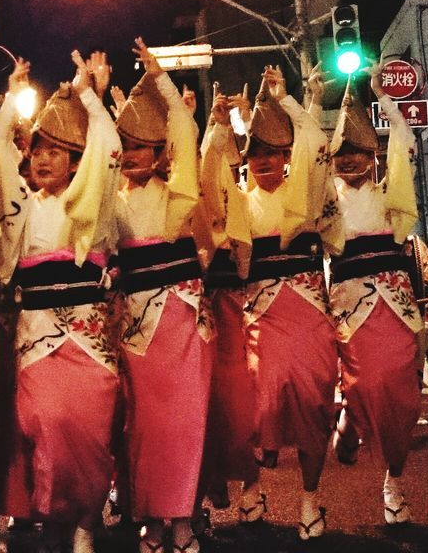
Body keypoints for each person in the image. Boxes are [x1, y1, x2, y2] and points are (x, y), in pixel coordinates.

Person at [202, 65, 342, 540]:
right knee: (250, 406)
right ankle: (252, 486)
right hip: (256, 314)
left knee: (312, 401)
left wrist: (290, 103)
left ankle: (309, 498)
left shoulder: (306, 191)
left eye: (273, 153)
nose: (263, 161)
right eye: (255, 153)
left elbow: (317, 151)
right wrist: (220, 126)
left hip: (306, 313)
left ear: (286, 156)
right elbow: (209, 177)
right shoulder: (237, 201)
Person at [0, 50, 122, 553]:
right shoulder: (20, 210)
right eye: (38, 150)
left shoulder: (93, 210)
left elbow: (108, 147)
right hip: (38, 342)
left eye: (56, 151)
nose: (42, 159)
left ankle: (88, 521)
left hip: (90, 347)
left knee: (91, 437)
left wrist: (89, 94)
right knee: (45, 425)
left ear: (77, 160)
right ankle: (54, 524)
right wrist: (7, 103)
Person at [110, 40, 211, 553]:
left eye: (140, 147)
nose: (130, 156)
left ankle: (183, 518)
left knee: (187, 421)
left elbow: (186, 128)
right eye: (124, 146)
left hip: (182, 317)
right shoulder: (108, 201)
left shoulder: (175, 195)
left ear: (159, 153)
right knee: (143, 425)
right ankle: (151, 516)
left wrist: (161, 79)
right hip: (134, 324)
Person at [325, 66, 422, 525]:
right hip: (348, 303)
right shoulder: (324, 202)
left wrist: (383, 98)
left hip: (395, 303)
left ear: (373, 154)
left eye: (357, 151)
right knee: (364, 383)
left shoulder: (390, 197)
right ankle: (349, 417)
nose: (348, 160)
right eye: (340, 152)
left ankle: (394, 480)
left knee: (402, 392)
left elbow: (404, 139)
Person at [196, 84, 260, 527]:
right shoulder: (189, 205)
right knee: (199, 406)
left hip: (236, 313)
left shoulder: (247, 200)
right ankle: (196, 495)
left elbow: (247, 162)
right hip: (196, 315)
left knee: (236, 406)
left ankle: (247, 484)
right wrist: (217, 125)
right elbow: (207, 164)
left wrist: (238, 119)